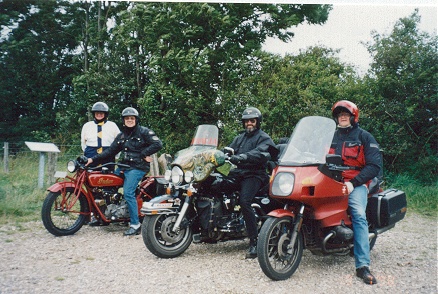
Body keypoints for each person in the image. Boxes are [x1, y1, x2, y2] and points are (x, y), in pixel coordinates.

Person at [86, 107, 163, 236]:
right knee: (107, 187)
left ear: (136, 119)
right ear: (123, 120)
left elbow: (158, 144)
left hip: (138, 167)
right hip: (124, 166)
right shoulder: (122, 135)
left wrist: (144, 153)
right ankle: (106, 216)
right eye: (127, 118)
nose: (129, 120)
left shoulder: (144, 132)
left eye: (132, 118)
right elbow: (110, 151)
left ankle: (135, 224)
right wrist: (91, 159)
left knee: (128, 192)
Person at [329, 100, 381, 285]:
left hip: (355, 183)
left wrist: (354, 183)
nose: (342, 116)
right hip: (331, 181)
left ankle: (362, 266)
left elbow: (374, 166)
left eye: (346, 114)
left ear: (353, 116)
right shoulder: (329, 136)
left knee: (358, 214)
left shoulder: (364, 137)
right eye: (339, 114)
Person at [220, 107, 276, 258]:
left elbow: (262, 153)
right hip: (239, 173)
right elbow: (229, 150)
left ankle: (255, 242)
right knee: (216, 185)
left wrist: (243, 157)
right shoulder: (240, 138)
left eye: (252, 121)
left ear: (257, 122)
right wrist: (219, 155)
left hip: (255, 175)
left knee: (245, 201)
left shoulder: (264, 138)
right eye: (247, 121)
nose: (249, 123)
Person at [81, 102, 120, 166]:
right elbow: (83, 143)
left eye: (101, 113)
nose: (99, 114)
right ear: (94, 114)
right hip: (90, 154)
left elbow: (118, 143)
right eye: (97, 113)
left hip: (108, 155)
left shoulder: (112, 125)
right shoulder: (87, 125)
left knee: (107, 175)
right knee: (90, 174)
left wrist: (115, 156)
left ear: (105, 114)